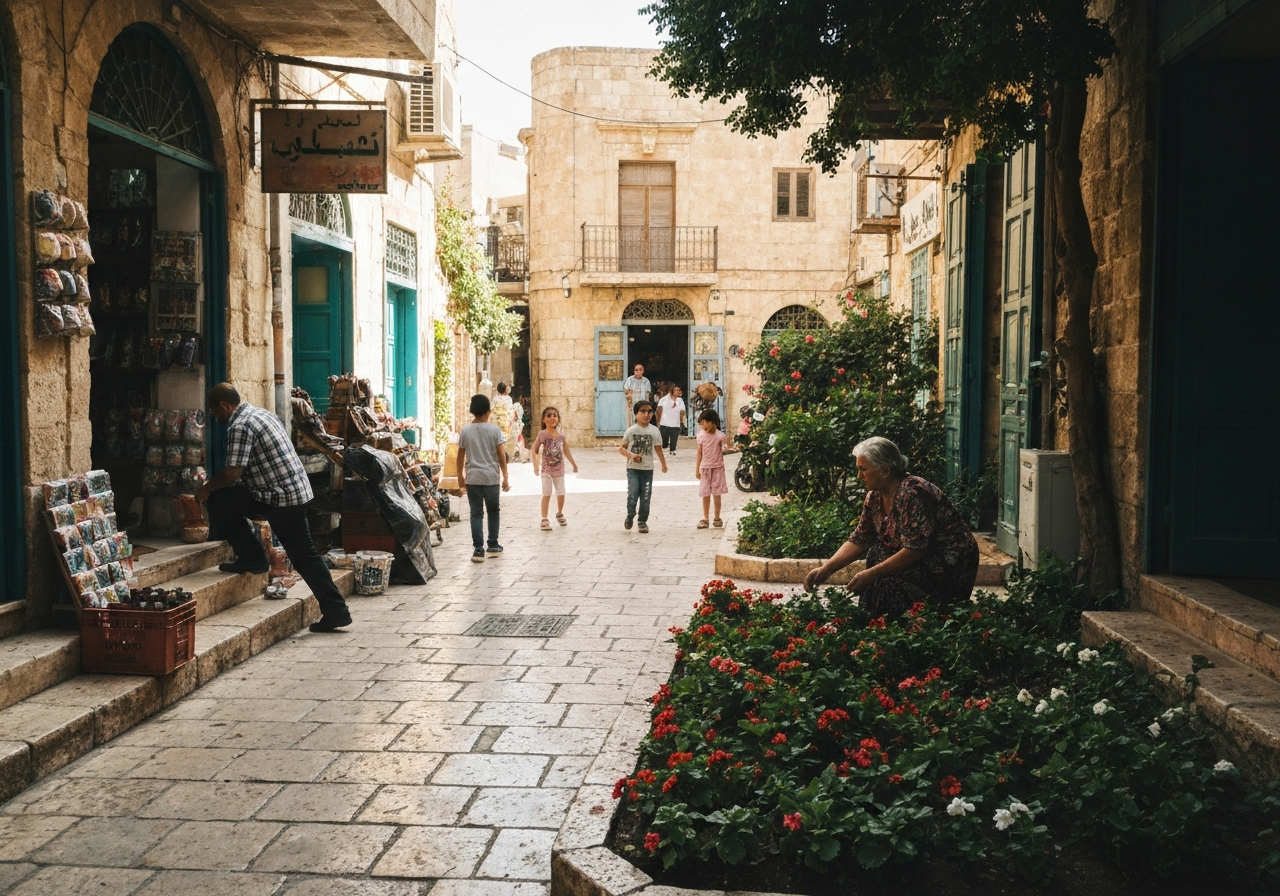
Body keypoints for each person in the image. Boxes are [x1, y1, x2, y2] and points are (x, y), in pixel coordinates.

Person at [196, 383, 352, 633]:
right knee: (223, 501)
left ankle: (336, 611)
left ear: (225, 405)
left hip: (280, 497)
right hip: (282, 490)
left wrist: (206, 488)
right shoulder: (261, 413)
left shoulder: (239, 425)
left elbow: (232, 471)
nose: (214, 416)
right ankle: (252, 558)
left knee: (303, 555)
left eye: (214, 411)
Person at [803, 436, 979, 618]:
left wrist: (872, 574)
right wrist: (826, 569)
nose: (859, 476)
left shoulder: (912, 493)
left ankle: (897, 624)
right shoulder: (874, 497)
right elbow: (859, 539)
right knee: (876, 554)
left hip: (946, 561)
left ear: (885, 471)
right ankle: (871, 620)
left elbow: (915, 549)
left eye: (863, 469)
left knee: (886, 584)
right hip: (919, 557)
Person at [456, 393, 510, 563]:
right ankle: (493, 543)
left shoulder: (465, 431)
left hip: (472, 478)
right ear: (489, 411)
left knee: (476, 514)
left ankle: (478, 548)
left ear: (472, 411)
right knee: (493, 511)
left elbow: (460, 456)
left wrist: (460, 478)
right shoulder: (495, 430)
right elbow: (501, 455)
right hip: (491, 478)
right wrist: (505, 476)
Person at [618, 399, 667, 534]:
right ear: (636, 414)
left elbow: (658, 448)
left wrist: (663, 464)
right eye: (643, 411)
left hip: (647, 469)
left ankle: (642, 521)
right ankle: (630, 514)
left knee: (646, 496)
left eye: (649, 411)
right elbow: (622, 449)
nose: (647, 414)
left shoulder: (654, 431)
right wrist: (631, 455)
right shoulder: (631, 431)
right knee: (632, 493)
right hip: (633, 469)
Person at [532, 406, 579, 530]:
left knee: (561, 493)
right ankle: (544, 518)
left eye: (555, 415)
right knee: (546, 494)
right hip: (546, 470)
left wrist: (573, 464)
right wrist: (536, 466)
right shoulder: (542, 434)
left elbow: (566, 449)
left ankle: (559, 513)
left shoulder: (561, 434)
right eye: (549, 415)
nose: (552, 418)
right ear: (543, 419)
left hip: (559, 470)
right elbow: (534, 450)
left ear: (558, 419)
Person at [694, 408, 730, 529]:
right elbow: (699, 453)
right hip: (705, 469)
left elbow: (725, 449)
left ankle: (717, 517)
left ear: (712, 422)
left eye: (704, 423)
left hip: (717, 468)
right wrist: (697, 469)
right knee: (705, 494)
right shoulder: (701, 436)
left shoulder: (720, 436)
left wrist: (728, 447)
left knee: (717, 494)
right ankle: (705, 518)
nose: (703, 426)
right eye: (701, 424)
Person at [656, 385, 686, 457]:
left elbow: (682, 411)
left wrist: (682, 420)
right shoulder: (664, 400)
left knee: (674, 439)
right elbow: (659, 410)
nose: (678, 392)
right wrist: (658, 422)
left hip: (675, 423)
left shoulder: (680, 400)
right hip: (665, 423)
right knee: (664, 441)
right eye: (676, 390)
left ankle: (672, 450)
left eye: (679, 390)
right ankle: (666, 446)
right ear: (672, 391)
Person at [491, 382, 514, 461]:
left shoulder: (495, 398)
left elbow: (492, 409)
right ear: (505, 390)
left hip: (496, 422)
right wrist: (511, 421)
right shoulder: (508, 399)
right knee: (504, 438)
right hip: (505, 421)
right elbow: (510, 411)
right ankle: (503, 455)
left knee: (496, 438)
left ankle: (496, 454)